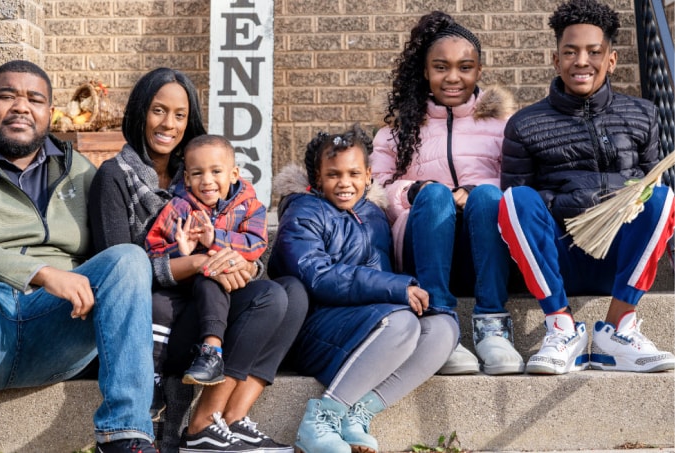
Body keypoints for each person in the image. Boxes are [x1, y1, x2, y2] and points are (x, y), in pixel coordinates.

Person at [0, 60, 157, 453]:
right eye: (7, 96)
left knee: (128, 260)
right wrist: (40, 272)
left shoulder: (78, 171)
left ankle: (125, 435)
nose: (21, 106)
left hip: (50, 334)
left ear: (49, 112)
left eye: (35, 99)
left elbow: (124, 246)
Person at [88, 67, 307, 453]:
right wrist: (200, 263)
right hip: (157, 311)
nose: (168, 124)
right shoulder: (115, 176)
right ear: (140, 111)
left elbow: (243, 239)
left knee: (292, 293)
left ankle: (230, 417)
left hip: (209, 298)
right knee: (268, 298)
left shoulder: (194, 170)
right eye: (159, 110)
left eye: (179, 115)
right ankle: (201, 424)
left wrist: (242, 264)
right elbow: (117, 270)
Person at [498, 0, 675, 375]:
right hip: (560, 257)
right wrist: (581, 203)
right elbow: (519, 204)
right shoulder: (523, 124)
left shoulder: (643, 114)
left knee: (662, 196)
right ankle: (561, 328)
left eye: (594, 52)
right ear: (555, 59)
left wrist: (621, 202)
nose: (582, 61)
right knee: (515, 200)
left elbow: (649, 185)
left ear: (610, 60)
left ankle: (617, 328)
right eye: (571, 52)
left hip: (619, 257)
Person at [268, 124, 459, 453]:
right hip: (315, 329)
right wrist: (397, 288)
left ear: (369, 174)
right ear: (316, 177)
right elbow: (317, 277)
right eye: (333, 174)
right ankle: (320, 419)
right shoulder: (302, 212)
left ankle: (358, 413)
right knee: (400, 322)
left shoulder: (373, 213)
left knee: (444, 327)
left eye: (354, 173)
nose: (345, 183)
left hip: (366, 323)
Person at [371, 11, 524, 376]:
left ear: (479, 71)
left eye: (465, 67)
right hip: (422, 250)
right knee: (436, 196)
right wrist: (418, 191)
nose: (453, 77)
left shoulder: (503, 126)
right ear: (425, 71)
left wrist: (473, 191)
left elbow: (517, 181)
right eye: (441, 67)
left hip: (483, 251)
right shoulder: (397, 129)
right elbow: (376, 191)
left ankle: (492, 327)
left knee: (489, 197)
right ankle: (441, 327)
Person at [145, 134, 268, 387]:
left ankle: (211, 354)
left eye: (216, 171)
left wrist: (217, 240)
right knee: (157, 305)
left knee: (209, 279)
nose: (207, 181)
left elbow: (256, 244)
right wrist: (180, 251)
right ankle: (152, 378)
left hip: (222, 289)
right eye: (198, 173)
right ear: (187, 178)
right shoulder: (179, 208)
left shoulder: (250, 207)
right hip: (180, 288)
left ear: (233, 174)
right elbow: (152, 251)